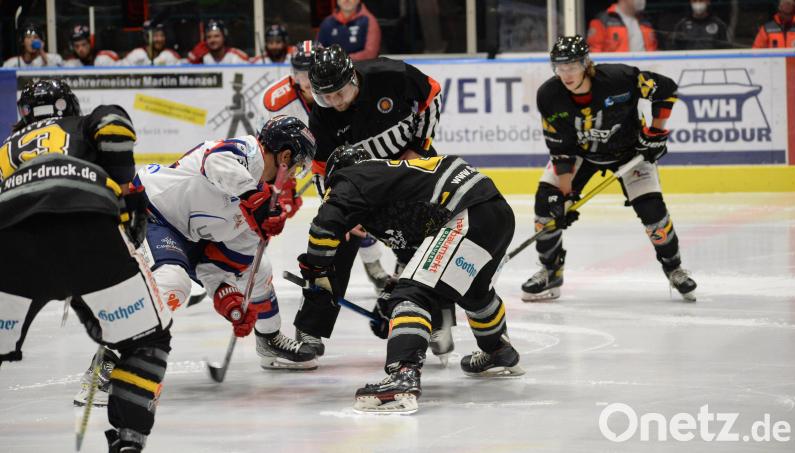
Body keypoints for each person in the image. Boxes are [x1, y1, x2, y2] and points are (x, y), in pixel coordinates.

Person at [73, 115, 317, 410]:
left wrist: (229, 298)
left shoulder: (262, 211)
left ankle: (269, 340)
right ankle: (107, 362)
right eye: (298, 166)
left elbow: (217, 263)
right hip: (152, 212)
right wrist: (254, 198)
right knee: (172, 283)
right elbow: (215, 161)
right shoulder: (248, 152)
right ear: (285, 156)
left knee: (259, 270)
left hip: (190, 237)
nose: (295, 175)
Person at [0, 79, 171, 452]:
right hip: (86, 225)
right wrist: (125, 189)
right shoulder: (80, 125)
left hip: (9, 237)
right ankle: (128, 441)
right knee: (147, 341)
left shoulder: (4, 150)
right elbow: (115, 127)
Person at [298, 145, 524, 414]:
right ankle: (498, 351)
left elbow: (325, 223)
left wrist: (318, 272)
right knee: (473, 292)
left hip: (467, 211)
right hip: (491, 212)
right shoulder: (387, 187)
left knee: (412, 295)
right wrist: (391, 295)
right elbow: (423, 261)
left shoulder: (352, 177)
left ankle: (402, 376)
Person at [295, 43, 445, 359]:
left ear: (352, 79)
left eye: (339, 94)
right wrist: (337, 209)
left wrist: (419, 145)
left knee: (428, 242)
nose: (333, 103)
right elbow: (322, 172)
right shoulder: (323, 117)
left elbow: (431, 93)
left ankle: (438, 322)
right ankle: (311, 329)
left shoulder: (391, 74)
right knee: (334, 237)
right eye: (326, 96)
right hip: (362, 184)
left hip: (409, 170)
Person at [521, 36, 697, 303]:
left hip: (630, 154)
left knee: (653, 212)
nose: (565, 74)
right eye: (559, 67)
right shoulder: (549, 95)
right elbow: (561, 148)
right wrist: (566, 196)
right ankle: (550, 271)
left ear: (585, 64)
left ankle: (674, 268)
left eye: (571, 66)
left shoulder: (619, 79)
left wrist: (656, 132)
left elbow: (666, 88)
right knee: (548, 204)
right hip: (583, 154)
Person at [262, 40, 318, 122]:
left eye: (315, 72)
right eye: (303, 74)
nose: (309, 81)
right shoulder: (274, 100)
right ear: (296, 76)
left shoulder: (337, 92)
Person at [317, 0, 381, 61]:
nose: (347, 0)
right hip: (332, 70)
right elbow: (318, 51)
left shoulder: (369, 20)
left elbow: (371, 53)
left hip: (361, 70)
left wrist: (341, 59)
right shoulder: (327, 23)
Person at [586, 0, 658, 52]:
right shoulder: (603, 20)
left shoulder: (646, 21)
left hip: (644, 71)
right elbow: (594, 54)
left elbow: (653, 51)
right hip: (616, 72)